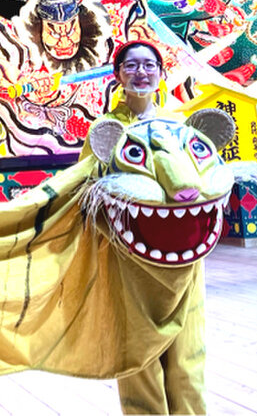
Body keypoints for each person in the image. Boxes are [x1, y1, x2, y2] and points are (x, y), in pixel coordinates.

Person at [81, 39, 207, 415]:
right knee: (139, 359)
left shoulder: (178, 126)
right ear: (118, 75)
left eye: (149, 65)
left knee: (188, 357)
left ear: (161, 73)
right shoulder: (105, 130)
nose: (141, 72)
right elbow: (86, 187)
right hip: (130, 259)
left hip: (183, 257)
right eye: (132, 65)